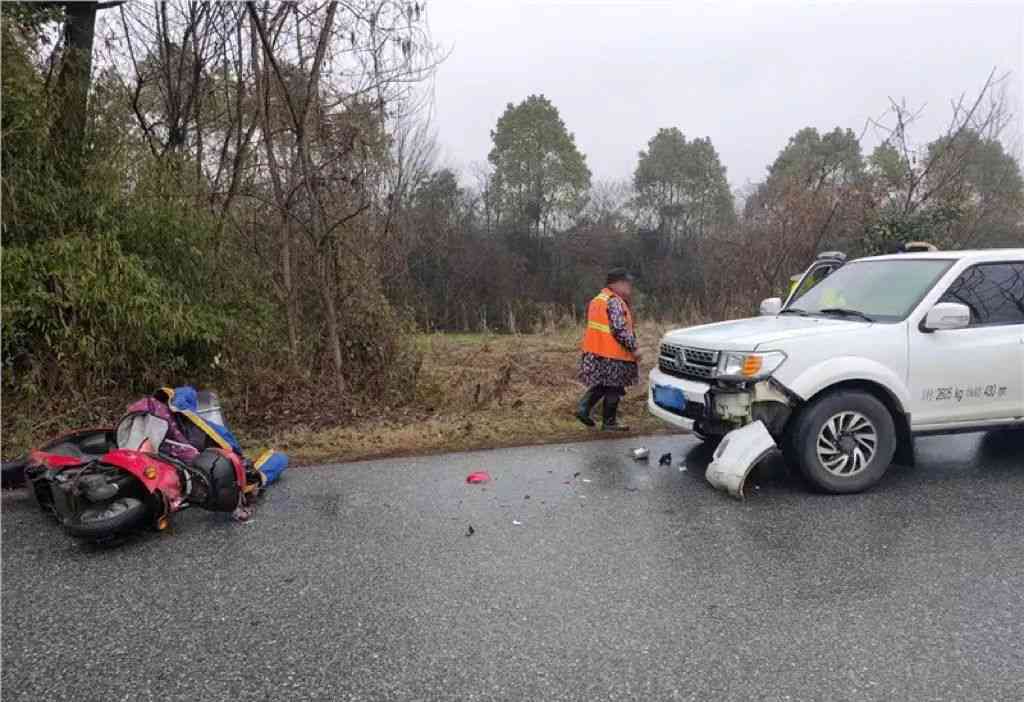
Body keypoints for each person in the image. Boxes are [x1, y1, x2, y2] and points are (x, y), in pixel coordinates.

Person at [576, 268, 642, 431]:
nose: (630, 287)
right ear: (617, 284)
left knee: (604, 384)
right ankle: (609, 423)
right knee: (614, 387)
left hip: (597, 352)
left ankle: (583, 409)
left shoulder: (599, 299)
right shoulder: (614, 301)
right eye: (627, 283)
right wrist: (634, 348)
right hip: (613, 354)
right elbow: (619, 329)